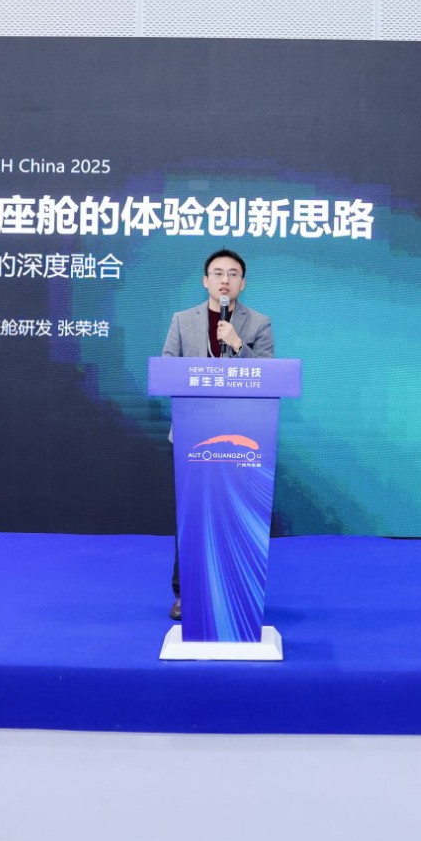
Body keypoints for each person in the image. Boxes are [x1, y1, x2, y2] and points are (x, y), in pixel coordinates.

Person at [161, 249, 274, 619]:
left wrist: (238, 344)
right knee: (192, 515)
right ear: (205, 280)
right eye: (218, 273)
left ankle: (236, 587)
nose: (225, 280)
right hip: (192, 433)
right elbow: (167, 370)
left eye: (233, 274)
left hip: (242, 437)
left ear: (243, 283)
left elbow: (270, 376)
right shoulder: (183, 320)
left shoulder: (258, 324)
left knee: (235, 515)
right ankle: (186, 592)